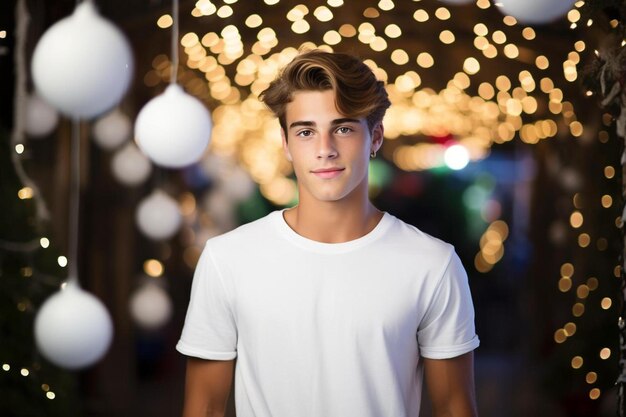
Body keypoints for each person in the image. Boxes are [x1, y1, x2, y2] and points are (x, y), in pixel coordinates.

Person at [177, 50, 480, 417]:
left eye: (343, 128)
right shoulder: (228, 259)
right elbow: (204, 407)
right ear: (286, 144)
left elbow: (454, 407)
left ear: (375, 138)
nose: (325, 150)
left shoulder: (433, 264)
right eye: (306, 131)